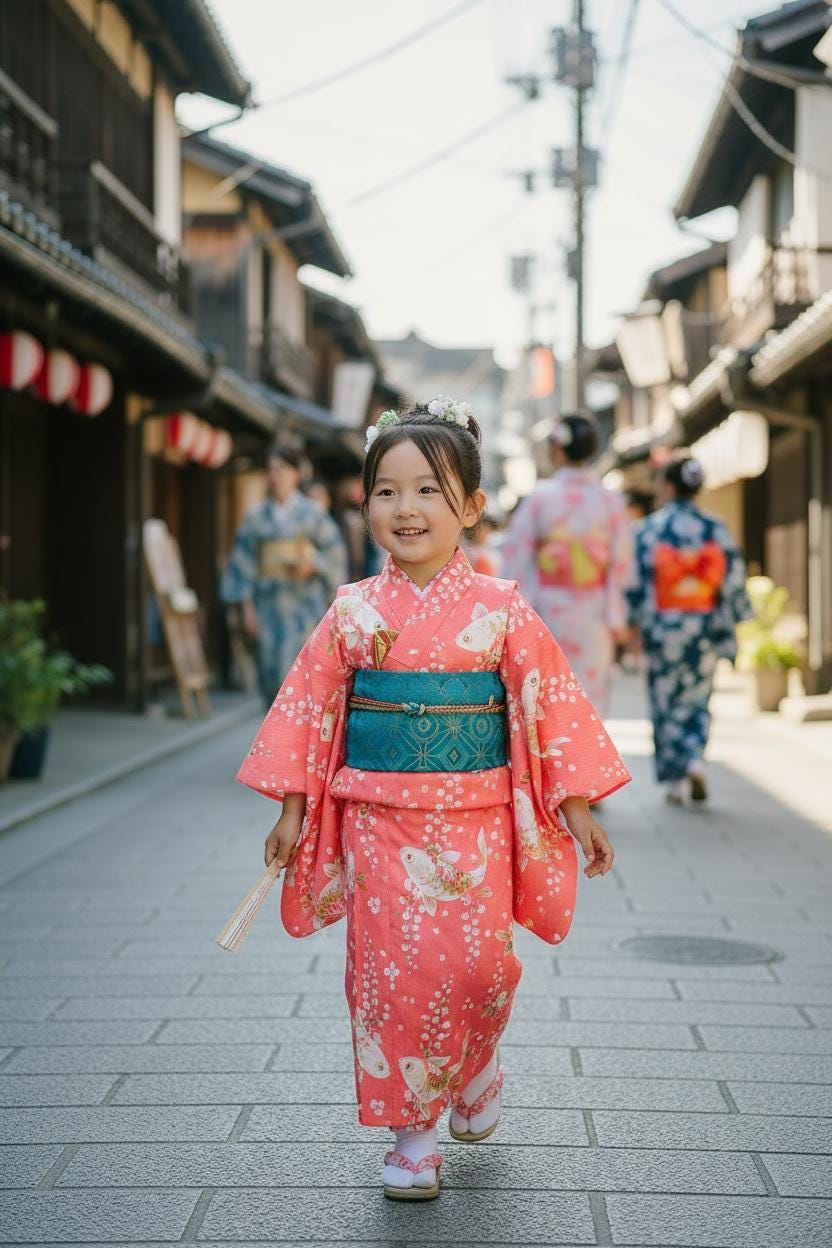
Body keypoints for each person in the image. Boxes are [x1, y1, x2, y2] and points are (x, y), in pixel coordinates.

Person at [234, 397, 630, 1201]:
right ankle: (411, 1136)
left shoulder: (502, 607)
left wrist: (577, 804)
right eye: (387, 490)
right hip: (380, 819)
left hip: (476, 820)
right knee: (391, 976)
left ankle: (478, 1062)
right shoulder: (352, 611)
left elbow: (549, 702)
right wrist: (293, 808)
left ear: (472, 509)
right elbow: (311, 711)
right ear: (365, 501)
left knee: (482, 967)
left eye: (428, 491)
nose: (405, 508)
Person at [625, 451, 750, 805]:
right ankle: (695, 758)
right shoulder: (715, 528)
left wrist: (631, 622)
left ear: (666, 485)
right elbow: (733, 580)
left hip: (663, 628)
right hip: (704, 627)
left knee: (665, 702)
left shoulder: (650, 529)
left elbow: (634, 583)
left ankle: (676, 781)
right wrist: (733, 618)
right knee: (698, 699)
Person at [501, 413, 631, 716]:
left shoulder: (540, 498)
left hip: (549, 608)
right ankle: (588, 760)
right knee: (591, 699)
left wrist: (519, 610)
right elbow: (620, 563)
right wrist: (617, 615)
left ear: (557, 449)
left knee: (549, 697)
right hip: (595, 611)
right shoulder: (610, 501)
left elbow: (516, 557)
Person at [221, 444, 348, 706]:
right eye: (271, 470)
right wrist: (246, 608)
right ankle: (274, 741)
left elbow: (334, 552)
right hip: (265, 604)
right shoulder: (255, 517)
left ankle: (296, 742)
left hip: (302, 606)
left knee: (299, 676)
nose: (275, 475)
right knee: (268, 674)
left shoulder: (312, 514)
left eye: (281, 469)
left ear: (296, 473)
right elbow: (242, 563)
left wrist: (314, 566)